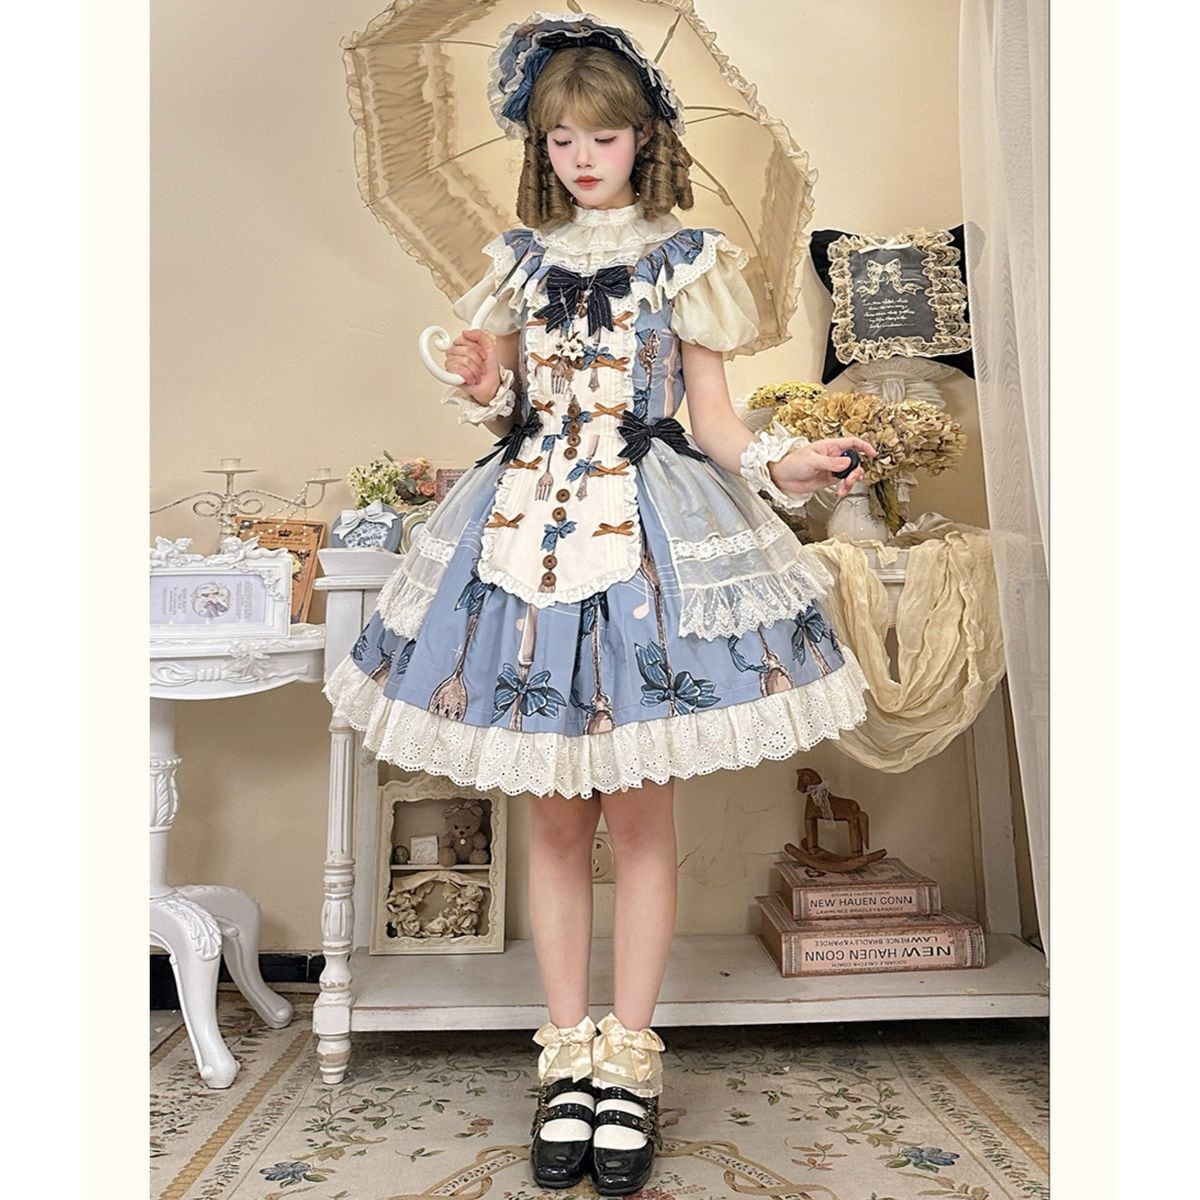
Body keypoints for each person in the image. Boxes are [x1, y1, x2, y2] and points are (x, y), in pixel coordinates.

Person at [325, 14, 875, 1196]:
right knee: (554, 818)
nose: (582, 158)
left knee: (638, 814)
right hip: (521, 534)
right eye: (561, 138)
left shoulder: (686, 258)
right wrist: (484, 380)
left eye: (604, 136)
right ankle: (565, 1058)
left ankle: (629, 1062)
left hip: (647, 541)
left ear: (644, 138)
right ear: (540, 144)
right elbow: (507, 403)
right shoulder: (518, 260)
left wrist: (788, 464)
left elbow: (715, 423)